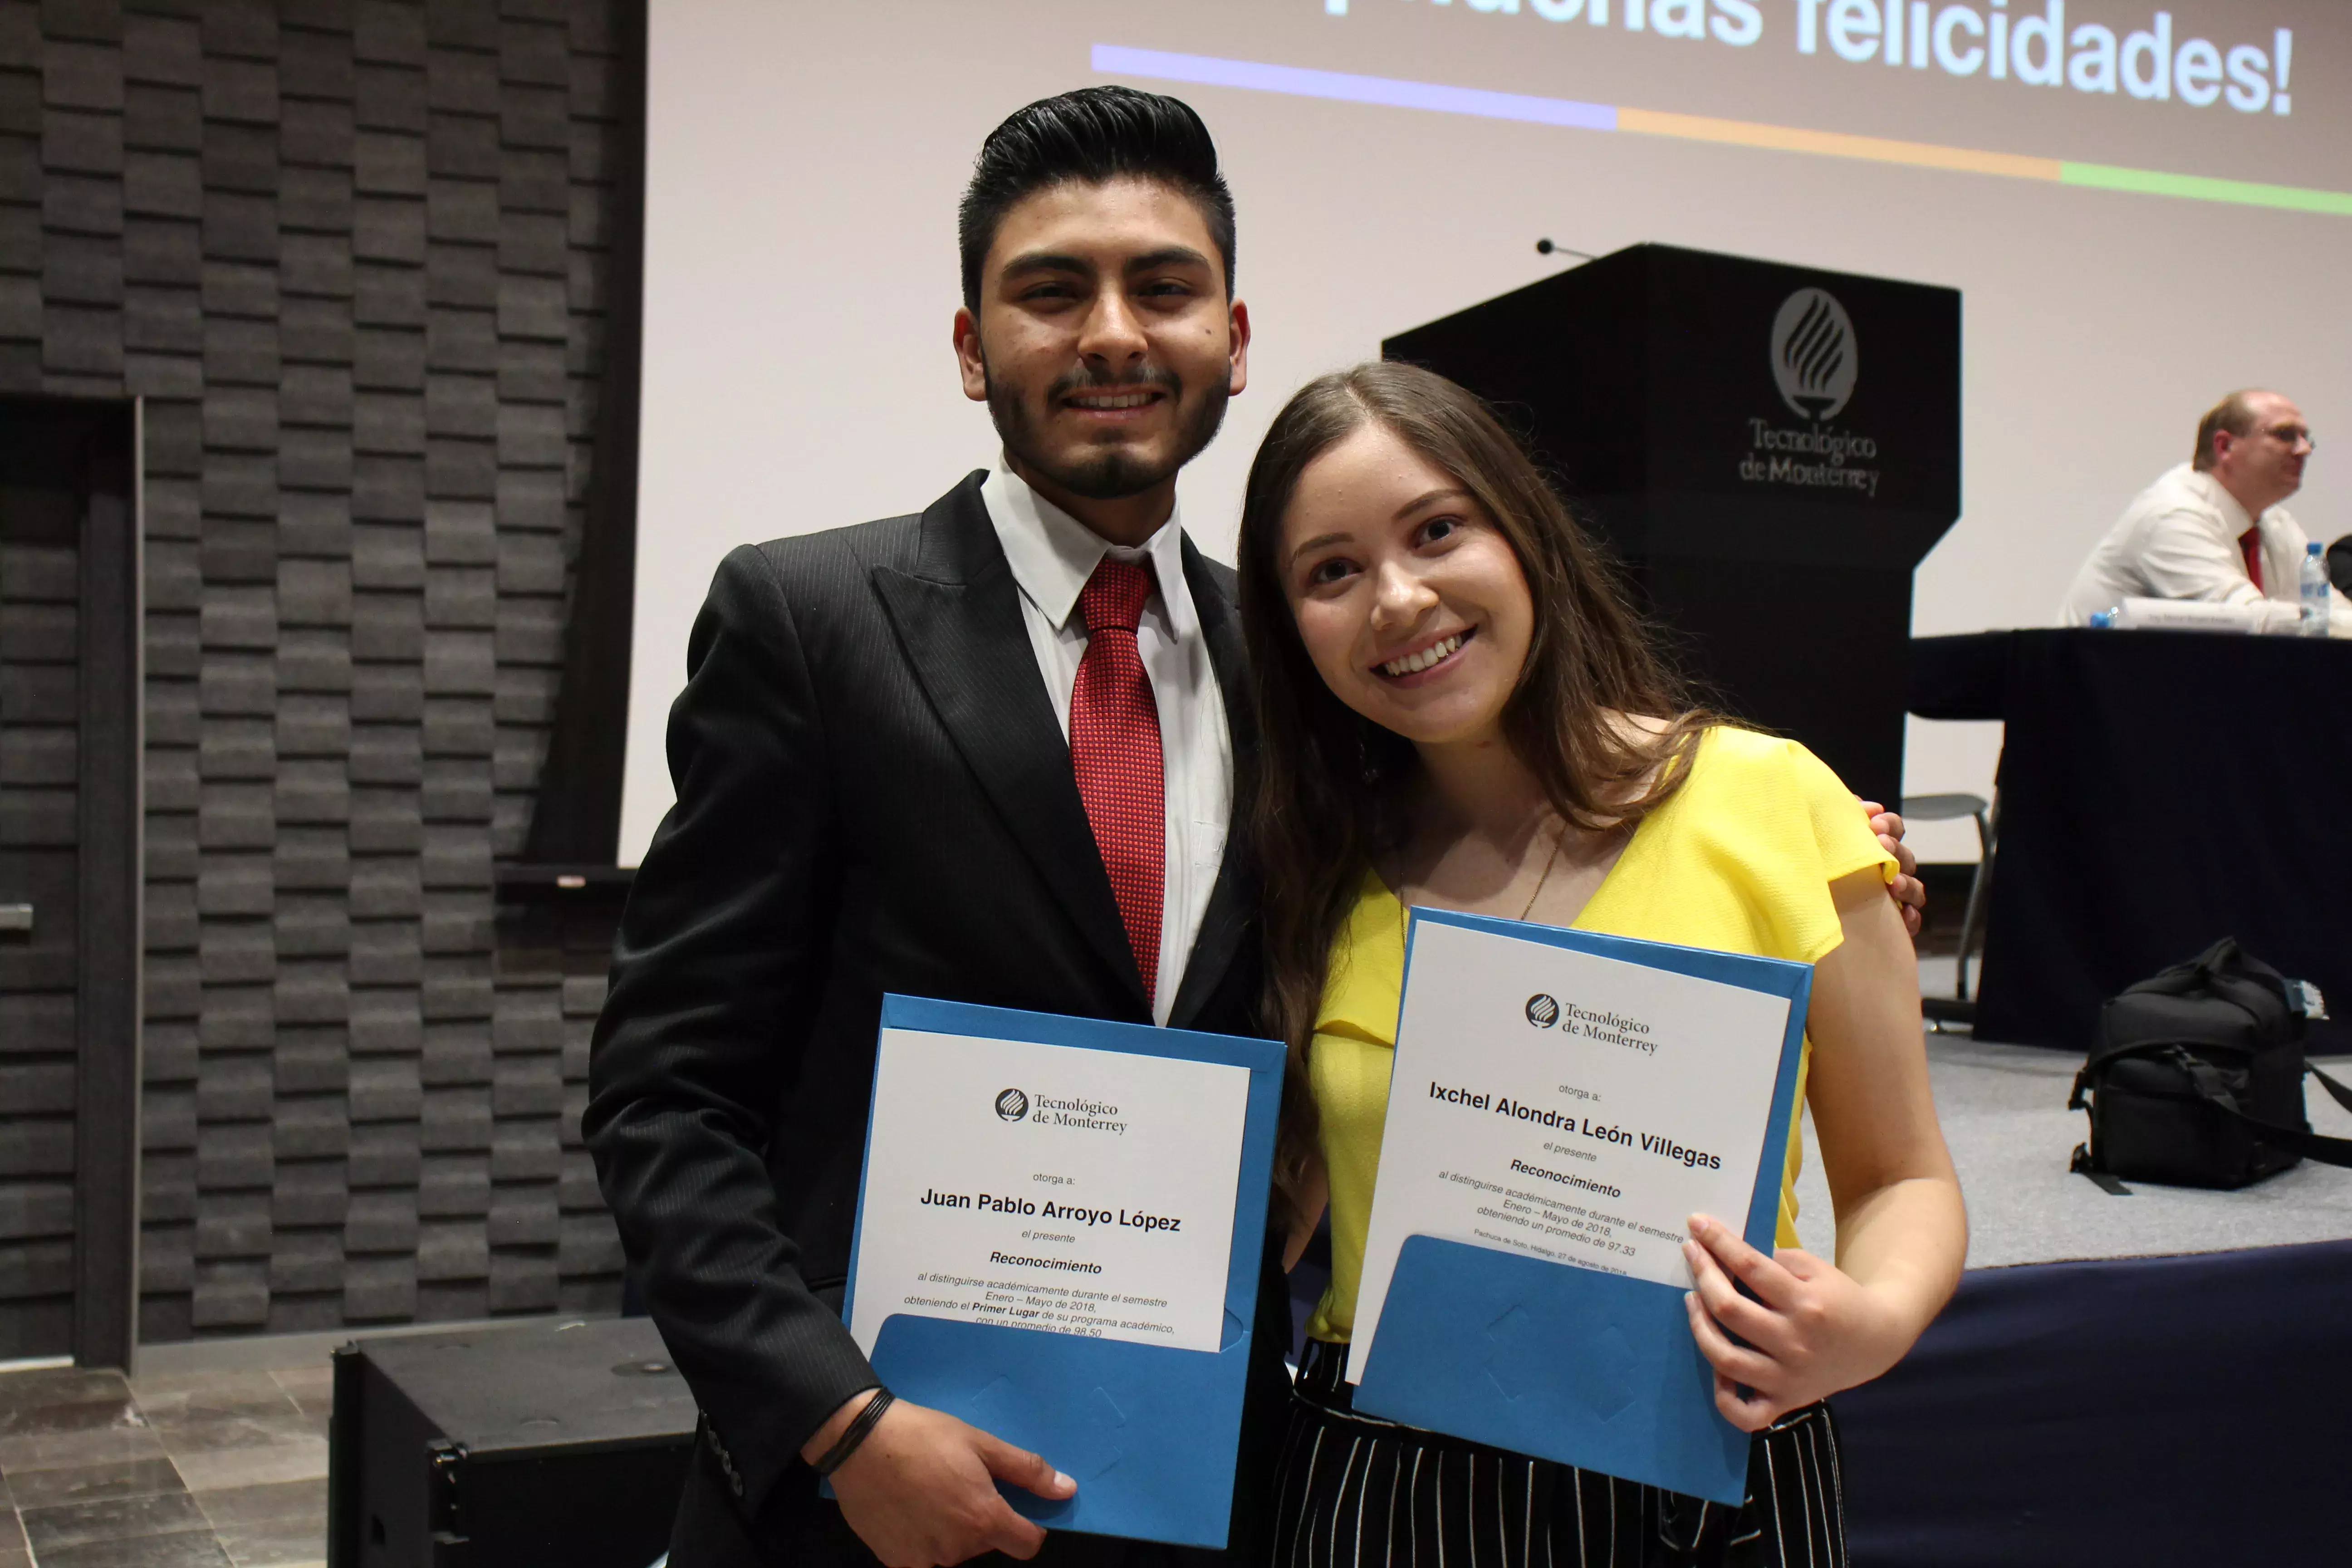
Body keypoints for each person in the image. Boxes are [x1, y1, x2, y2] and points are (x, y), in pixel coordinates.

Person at [586, 88, 1922, 1568]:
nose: (1110, 332)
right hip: (874, 1492)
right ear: (970, 350)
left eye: (1161, 287)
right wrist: (834, 1419)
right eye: (1049, 291)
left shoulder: (1306, 673)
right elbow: (668, 1092)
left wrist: (1822, 843)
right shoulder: (808, 618)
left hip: (1224, 1492)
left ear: (1231, 335)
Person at [1233, 363, 1967, 1568]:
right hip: (1392, 1482)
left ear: (1525, 534)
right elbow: (1283, 1214)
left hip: (1710, 1465)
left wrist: (1870, 1322)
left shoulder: (1771, 801)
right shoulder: (1314, 878)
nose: (1400, 599)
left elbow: (1901, 1179)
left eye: (1437, 530)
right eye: (1333, 571)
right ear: (1291, 628)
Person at [2060, 389, 2350, 631]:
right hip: (2093, 690)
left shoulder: (2276, 523)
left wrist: (2319, 620)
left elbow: (2328, 608)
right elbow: (2249, 621)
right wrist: (2318, 620)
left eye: (2305, 438)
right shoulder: (2172, 514)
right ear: (2225, 446)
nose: (2304, 450)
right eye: (2285, 435)